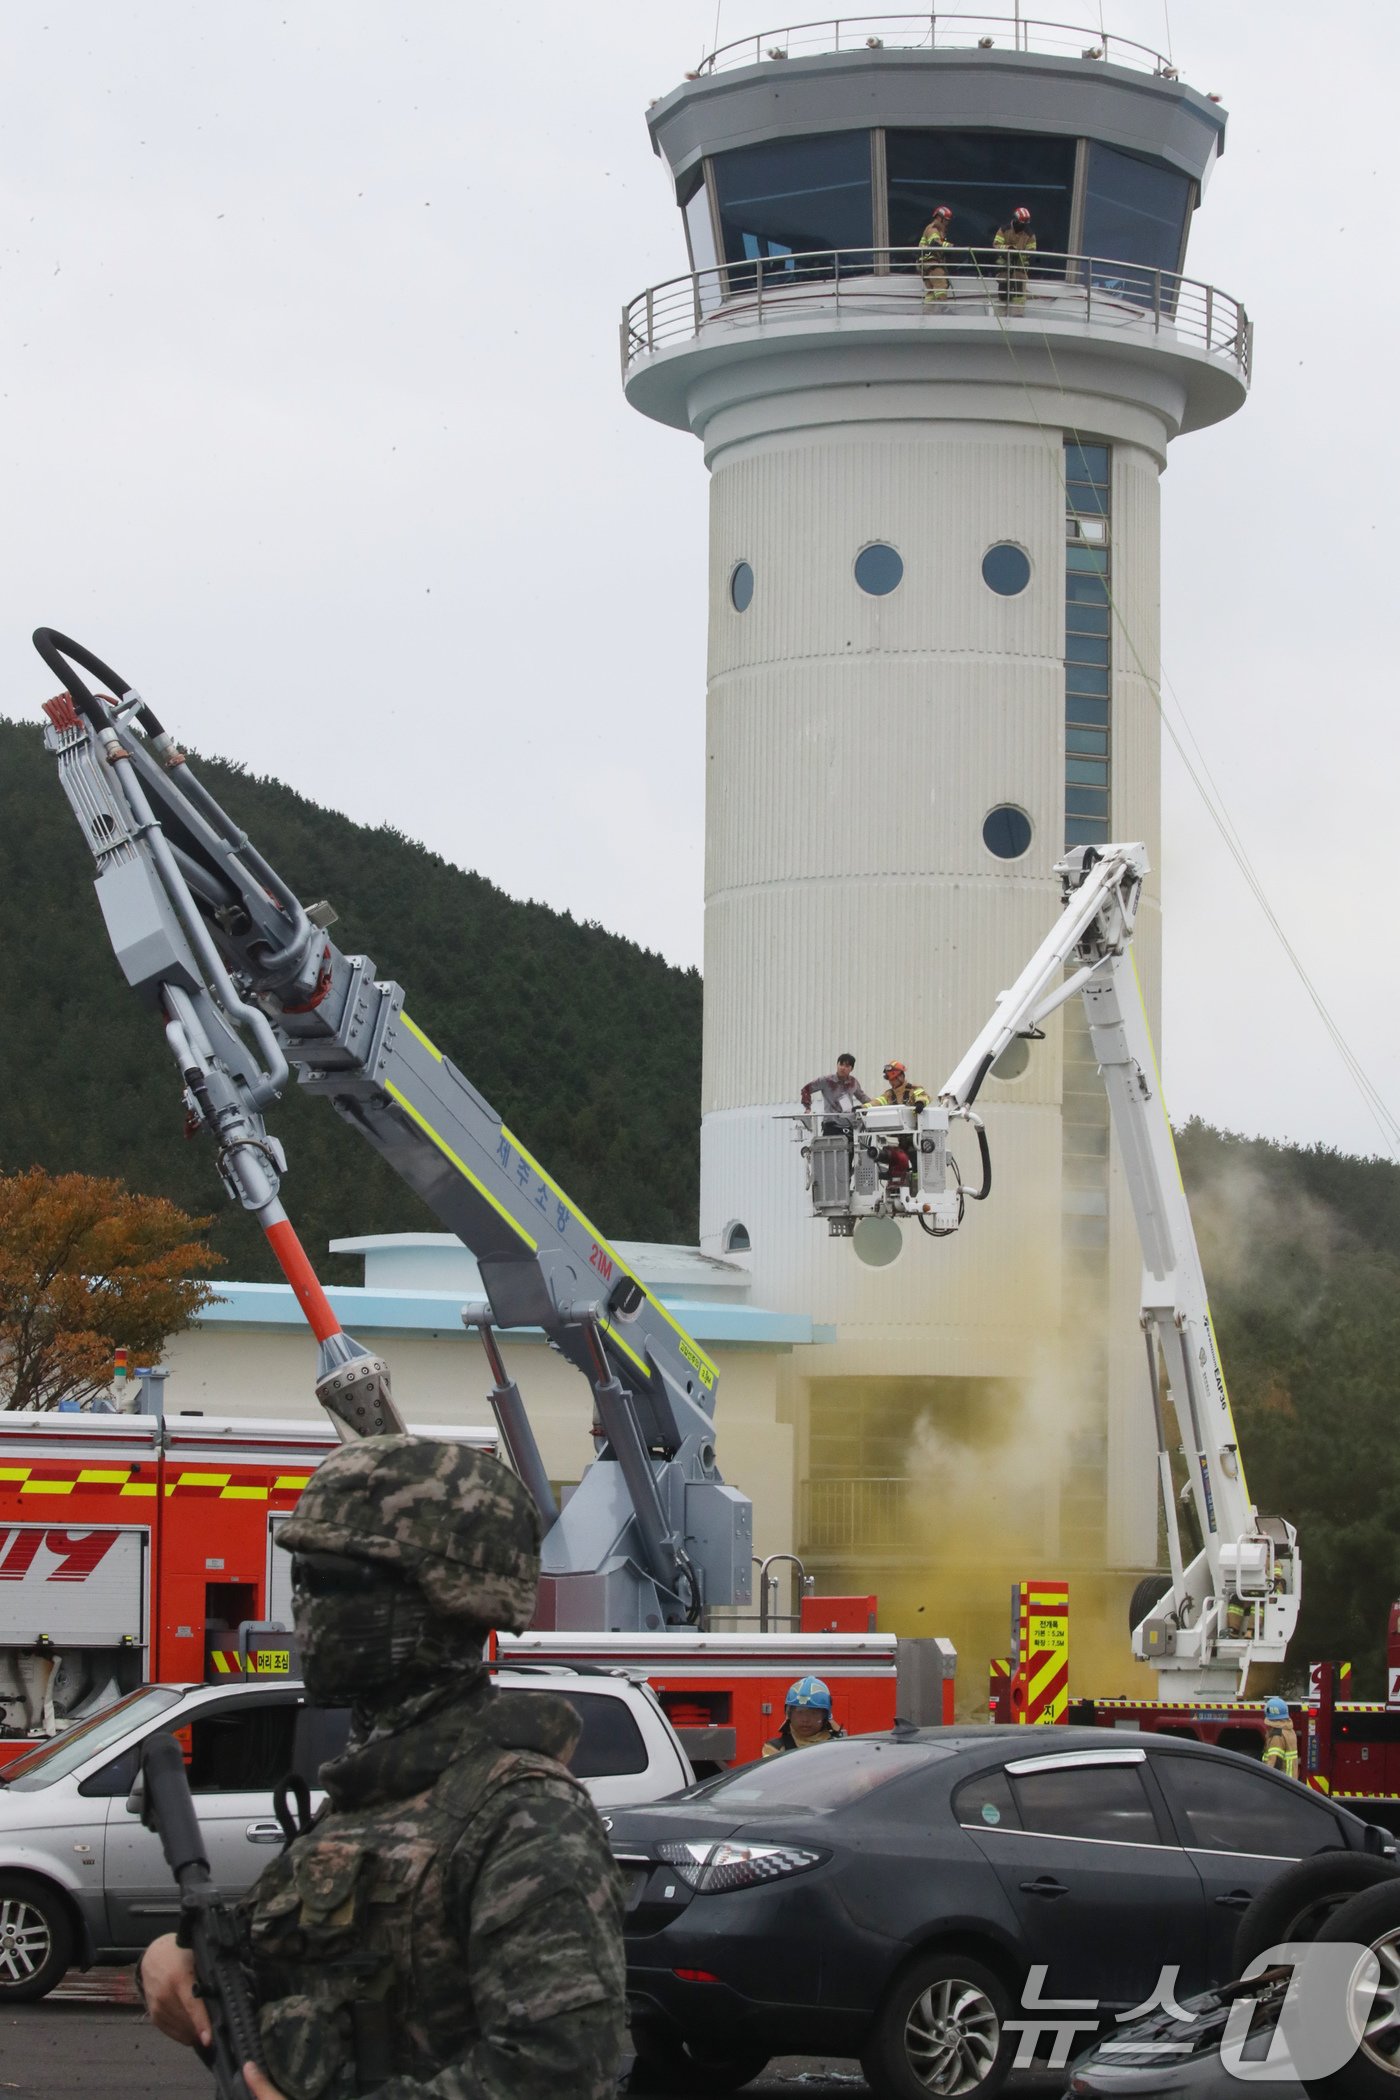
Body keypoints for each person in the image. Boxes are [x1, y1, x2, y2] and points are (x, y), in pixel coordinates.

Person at [137, 1435, 628, 2100]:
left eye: (334, 1582)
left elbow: (559, 2072)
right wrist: (171, 1962)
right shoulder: (367, 1796)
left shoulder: (525, 1816)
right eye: (300, 1578)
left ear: (447, 1596)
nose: (306, 1607)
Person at [862, 1061, 933, 1187]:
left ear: (901, 1076)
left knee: (915, 1159)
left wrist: (920, 1103)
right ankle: (896, 1181)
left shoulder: (914, 1089)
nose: (892, 1082)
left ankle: (916, 1184)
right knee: (894, 1159)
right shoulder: (889, 1094)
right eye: (890, 1079)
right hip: (896, 1137)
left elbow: (923, 1096)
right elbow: (877, 1102)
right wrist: (863, 1107)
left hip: (913, 1135)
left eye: (894, 1079)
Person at [762, 1676, 847, 1757]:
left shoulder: (839, 1747)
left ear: (825, 1716)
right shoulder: (774, 1749)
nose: (805, 1720)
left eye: (813, 1713)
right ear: (789, 1714)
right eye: (799, 1712)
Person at [801, 1053, 869, 1133]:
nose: (843, 1068)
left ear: (851, 1069)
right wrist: (807, 1108)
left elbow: (862, 1097)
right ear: (837, 1065)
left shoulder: (853, 1082)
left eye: (847, 1066)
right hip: (831, 1125)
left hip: (849, 1125)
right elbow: (805, 1090)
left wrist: (875, 1106)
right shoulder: (826, 1080)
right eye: (841, 1064)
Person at [994, 205, 1036, 309]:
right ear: (1016, 220)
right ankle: (1003, 313)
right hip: (1005, 265)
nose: (1023, 226)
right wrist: (1008, 248)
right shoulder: (1004, 230)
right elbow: (996, 244)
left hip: (1020, 268)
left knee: (1019, 295)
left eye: (1025, 224)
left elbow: (1032, 250)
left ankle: (1018, 313)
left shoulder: (1029, 234)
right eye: (1022, 224)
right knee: (1003, 294)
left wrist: (1020, 253)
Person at [918, 205, 953, 305]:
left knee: (932, 291)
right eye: (946, 220)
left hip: (928, 263)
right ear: (939, 218)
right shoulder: (932, 229)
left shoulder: (939, 231)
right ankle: (943, 310)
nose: (947, 223)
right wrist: (951, 246)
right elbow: (935, 242)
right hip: (931, 262)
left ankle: (928, 312)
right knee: (941, 286)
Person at [1262, 1693, 1300, 1780]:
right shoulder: (1289, 1731)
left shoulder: (1277, 1736)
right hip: (1291, 1781)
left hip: (1280, 1783)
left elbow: (1274, 1763)